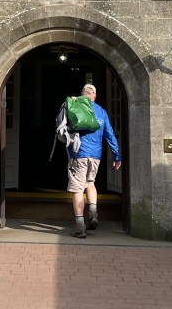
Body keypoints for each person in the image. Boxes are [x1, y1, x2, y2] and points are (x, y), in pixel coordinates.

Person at [67, 83, 121, 238]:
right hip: (96, 155)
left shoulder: (77, 106)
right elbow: (110, 134)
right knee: (90, 183)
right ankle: (93, 213)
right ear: (94, 96)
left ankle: (79, 226)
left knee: (78, 189)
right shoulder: (102, 111)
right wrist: (117, 156)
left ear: (83, 94)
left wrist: (72, 101)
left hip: (78, 153)